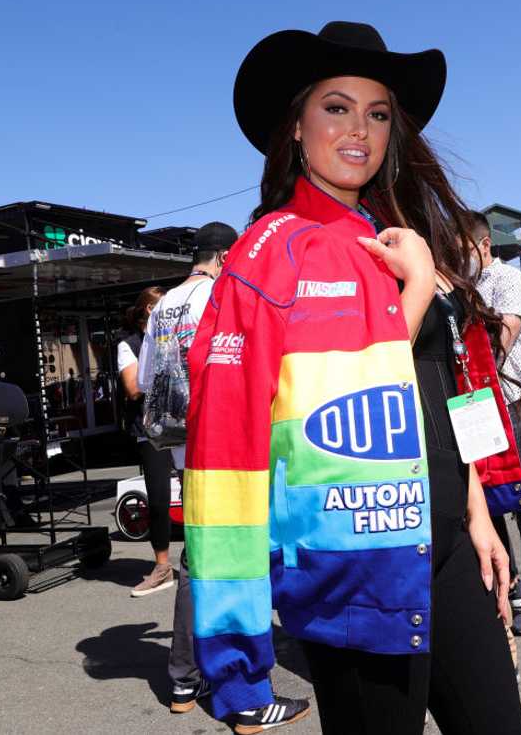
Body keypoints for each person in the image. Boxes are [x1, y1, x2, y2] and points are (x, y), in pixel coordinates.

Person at [183, 21, 521, 735]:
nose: (359, 130)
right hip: (353, 577)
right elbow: (227, 452)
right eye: (336, 107)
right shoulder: (267, 257)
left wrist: (478, 513)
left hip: (449, 553)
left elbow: (440, 384)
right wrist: (233, 652)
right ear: (297, 124)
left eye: (377, 114)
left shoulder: (397, 237)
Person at [139, 224, 309, 730]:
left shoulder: (165, 302)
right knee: (236, 560)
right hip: (229, 441)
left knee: (201, 555)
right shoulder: (225, 291)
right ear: (227, 254)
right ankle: (238, 687)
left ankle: (186, 679)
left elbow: (148, 379)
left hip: (182, 446)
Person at [470, 211, 521, 636]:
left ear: (483, 245)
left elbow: (502, 337)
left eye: (460, 248)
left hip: (511, 403)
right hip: (475, 409)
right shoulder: (462, 286)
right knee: (488, 501)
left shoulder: (509, 282)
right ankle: (514, 583)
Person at [116, 286, 178, 597]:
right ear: (149, 311)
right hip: (150, 429)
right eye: (162, 305)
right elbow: (132, 388)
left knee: (195, 489)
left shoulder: (174, 336)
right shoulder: (129, 345)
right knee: (158, 497)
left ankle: (200, 556)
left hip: (181, 423)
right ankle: (162, 566)